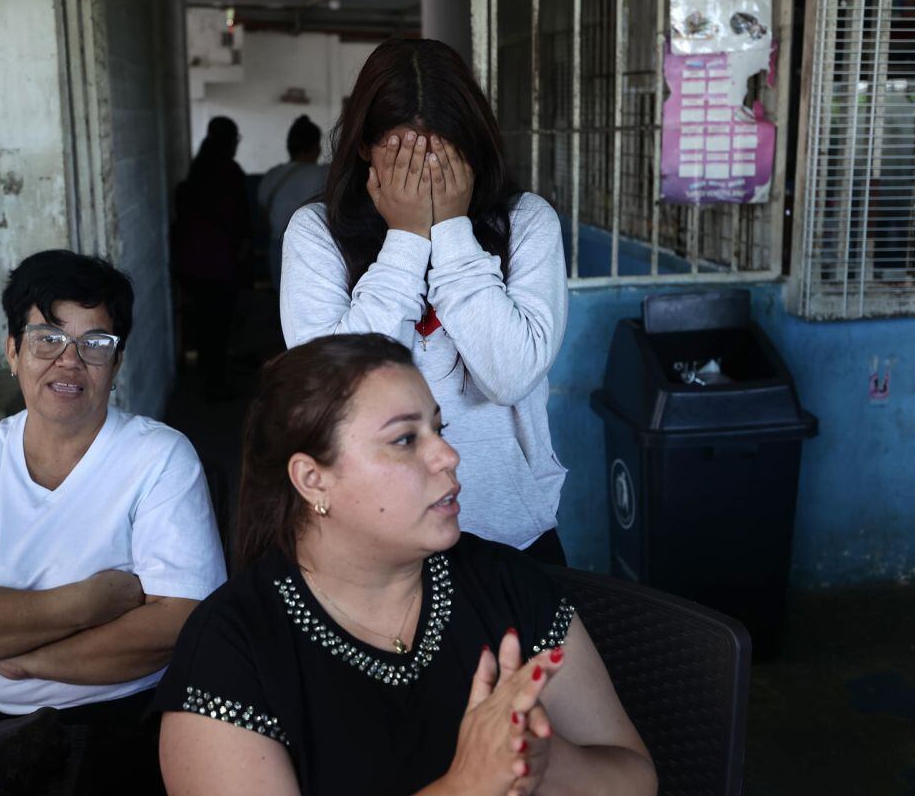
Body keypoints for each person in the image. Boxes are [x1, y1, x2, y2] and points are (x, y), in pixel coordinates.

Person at [154, 333, 656, 796]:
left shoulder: (504, 580)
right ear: (312, 480)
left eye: (438, 428)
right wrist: (466, 785)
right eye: (404, 439)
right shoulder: (230, 648)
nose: (448, 455)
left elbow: (636, 779)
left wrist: (542, 757)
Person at [0, 250, 226, 779]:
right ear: (13, 351)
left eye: (95, 344)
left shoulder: (160, 457)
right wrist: (90, 602)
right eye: (47, 339)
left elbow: (178, 623)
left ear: (116, 363)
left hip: (120, 716)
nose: (70, 361)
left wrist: (23, 661)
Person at [279, 39, 571, 566]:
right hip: (372, 541)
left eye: (443, 157)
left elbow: (508, 375)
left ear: (473, 149)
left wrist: (452, 231)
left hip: (511, 535)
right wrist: (407, 238)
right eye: (404, 158)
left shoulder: (527, 222)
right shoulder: (316, 233)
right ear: (365, 148)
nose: (425, 175)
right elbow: (335, 394)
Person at [171, 116, 251, 399]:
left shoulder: (197, 170)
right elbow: (239, 219)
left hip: (192, 264)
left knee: (205, 325)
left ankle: (209, 381)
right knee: (219, 326)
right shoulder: (230, 173)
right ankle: (216, 386)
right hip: (220, 264)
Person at [257, 115, 327, 290]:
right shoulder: (323, 175)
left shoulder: (271, 175)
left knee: (282, 301)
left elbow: (263, 211)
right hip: (310, 249)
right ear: (315, 146)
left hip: (276, 249)